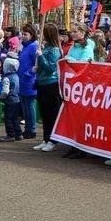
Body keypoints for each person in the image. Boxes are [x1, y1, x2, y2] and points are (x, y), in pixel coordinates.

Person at [34, 23, 63, 153]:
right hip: (42, 82)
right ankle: (46, 138)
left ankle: (53, 140)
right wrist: (37, 67)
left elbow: (51, 68)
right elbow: (43, 65)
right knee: (44, 113)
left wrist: (40, 56)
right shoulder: (46, 47)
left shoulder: (55, 50)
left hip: (51, 84)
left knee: (51, 114)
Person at [18, 24, 39, 141]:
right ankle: (28, 128)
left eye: (25, 34)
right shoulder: (25, 47)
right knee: (25, 107)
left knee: (30, 107)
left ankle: (32, 129)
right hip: (22, 79)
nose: (23, 36)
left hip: (29, 80)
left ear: (31, 35)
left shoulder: (34, 46)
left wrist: (29, 73)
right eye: (22, 34)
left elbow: (36, 65)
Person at [0, 53, 22, 142]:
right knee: (15, 118)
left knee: (8, 118)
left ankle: (10, 134)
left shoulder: (6, 78)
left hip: (9, 101)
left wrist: (1, 97)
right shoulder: (16, 76)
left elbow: (5, 91)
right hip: (17, 100)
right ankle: (18, 134)